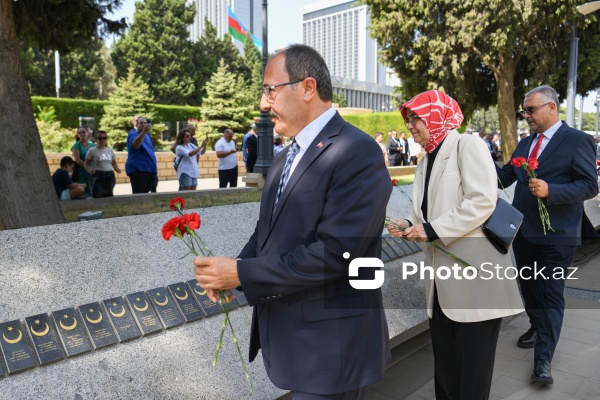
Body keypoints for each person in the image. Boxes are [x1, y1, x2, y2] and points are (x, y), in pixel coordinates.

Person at [194, 44, 392, 399]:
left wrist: (242, 273)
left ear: (307, 87)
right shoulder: (286, 156)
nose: (263, 103)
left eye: (270, 89)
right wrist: (232, 272)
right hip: (295, 345)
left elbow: (336, 253)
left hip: (331, 352)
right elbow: (266, 230)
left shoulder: (357, 152)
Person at [391, 90, 523, 400]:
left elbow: (481, 202)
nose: (410, 126)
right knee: (446, 373)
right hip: (440, 287)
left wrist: (432, 230)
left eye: (415, 118)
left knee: (472, 378)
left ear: (436, 116)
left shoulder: (468, 145)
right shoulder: (424, 161)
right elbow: (422, 215)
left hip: (476, 282)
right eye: (407, 120)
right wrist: (409, 227)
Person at [497, 85, 598, 385]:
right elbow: (504, 175)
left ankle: (543, 361)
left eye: (531, 110)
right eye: (524, 111)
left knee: (550, 293)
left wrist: (551, 190)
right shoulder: (525, 144)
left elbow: (589, 186)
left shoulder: (578, 140)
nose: (526, 115)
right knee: (528, 289)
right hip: (524, 232)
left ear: (552, 108)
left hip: (558, 236)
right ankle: (538, 325)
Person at [125, 117, 158, 193]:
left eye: (145, 123)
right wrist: (144, 132)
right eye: (141, 123)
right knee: (140, 194)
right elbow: (136, 145)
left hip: (150, 169)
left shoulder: (147, 136)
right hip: (138, 169)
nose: (143, 125)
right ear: (137, 125)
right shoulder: (132, 134)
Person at [84, 131, 121, 198]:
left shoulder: (110, 151)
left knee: (109, 194)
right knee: (97, 195)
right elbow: (86, 164)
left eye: (104, 138)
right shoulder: (92, 150)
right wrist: (90, 170)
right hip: (98, 174)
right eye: (100, 138)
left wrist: (116, 168)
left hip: (109, 174)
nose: (102, 140)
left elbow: (114, 162)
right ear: (96, 140)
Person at [71, 127, 95, 197]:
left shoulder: (93, 145)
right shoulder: (76, 146)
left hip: (93, 170)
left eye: (83, 132)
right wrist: (87, 167)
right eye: (79, 132)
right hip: (82, 171)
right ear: (78, 135)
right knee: (85, 189)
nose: (82, 134)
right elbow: (77, 159)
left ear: (87, 133)